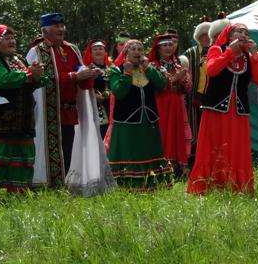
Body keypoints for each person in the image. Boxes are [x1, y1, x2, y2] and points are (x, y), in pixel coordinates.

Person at [187, 23, 258, 194]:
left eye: (246, 32)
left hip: (238, 111)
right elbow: (212, 70)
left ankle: (235, 185)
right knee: (214, 145)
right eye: (239, 31)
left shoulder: (248, 57)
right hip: (216, 109)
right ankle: (210, 184)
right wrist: (230, 52)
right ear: (229, 35)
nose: (244, 34)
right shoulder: (217, 49)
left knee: (236, 147)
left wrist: (255, 55)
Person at [28, 12, 98, 188]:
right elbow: (44, 81)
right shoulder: (37, 51)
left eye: (62, 26)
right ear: (45, 31)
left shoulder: (71, 49)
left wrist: (88, 74)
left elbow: (80, 78)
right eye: (56, 26)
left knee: (68, 148)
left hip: (69, 111)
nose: (61, 29)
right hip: (47, 112)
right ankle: (46, 183)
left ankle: (64, 184)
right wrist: (75, 76)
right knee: (49, 148)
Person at [107, 40, 175, 190]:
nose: (138, 52)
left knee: (150, 151)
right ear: (126, 53)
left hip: (148, 119)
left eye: (140, 49)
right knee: (130, 152)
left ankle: (153, 183)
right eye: (134, 49)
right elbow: (118, 92)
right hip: (127, 120)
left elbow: (161, 85)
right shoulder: (116, 70)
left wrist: (149, 68)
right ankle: (128, 184)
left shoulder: (148, 69)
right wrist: (127, 73)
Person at [0, 25, 45, 191]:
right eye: (7, 38)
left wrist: (38, 76)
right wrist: (29, 75)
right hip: (2, 118)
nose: (12, 41)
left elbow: (36, 80)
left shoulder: (19, 60)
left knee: (23, 154)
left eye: (13, 38)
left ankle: (19, 191)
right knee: (3, 155)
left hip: (24, 119)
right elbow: (4, 80)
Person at [148, 32, 192, 177]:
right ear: (158, 49)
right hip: (161, 103)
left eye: (170, 44)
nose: (168, 47)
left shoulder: (177, 64)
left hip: (177, 104)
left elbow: (187, 88)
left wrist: (184, 81)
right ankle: (162, 166)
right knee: (164, 132)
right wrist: (175, 78)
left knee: (177, 133)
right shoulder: (153, 65)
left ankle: (177, 167)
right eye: (164, 45)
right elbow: (157, 86)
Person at [181, 20, 211, 167]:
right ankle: (192, 160)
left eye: (209, 35)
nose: (207, 38)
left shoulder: (216, 51)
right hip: (193, 97)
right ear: (199, 37)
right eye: (204, 35)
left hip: (211, 97)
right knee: (193, 127)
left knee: (209, 129)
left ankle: (207, 159)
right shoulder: (190, 53)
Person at [78, 40, 112, 139]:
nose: (98, 51)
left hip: (112, 105)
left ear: (106, 52)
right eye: (95, 49)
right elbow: (82, 88)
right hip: (96, 107)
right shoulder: (87, 69)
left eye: (101, 49)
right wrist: (93, 95)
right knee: (100, 134)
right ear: (91, 53)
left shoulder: (112, 68)